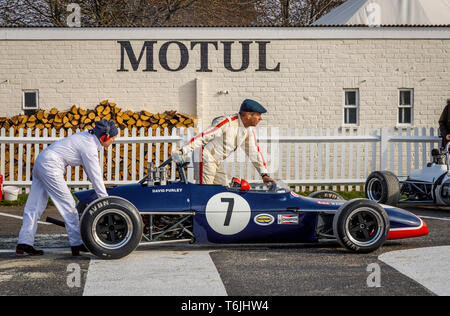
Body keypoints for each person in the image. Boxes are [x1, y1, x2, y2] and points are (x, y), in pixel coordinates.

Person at [16, 119, 118, 257]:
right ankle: (77, 244)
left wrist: (101, 189)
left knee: (34, 206)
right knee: (69, 206)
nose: (113, 140)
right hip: (51, 166)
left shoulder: (86, 138)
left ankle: (24, 243)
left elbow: (90, 172)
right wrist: (105, 200)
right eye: (113, 138)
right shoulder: (89, 147)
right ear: (104, 137)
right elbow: (95, 174)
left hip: (42, 160)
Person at [173, 99, 275, 186]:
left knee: (223, 188)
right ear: (248, 115)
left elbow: (254, 152)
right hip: (204, 156)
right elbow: (204, 136)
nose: (260, 118)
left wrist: (264, 174)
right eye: (258, 115)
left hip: (216, 161)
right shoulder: (227, 122)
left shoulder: (247, 130)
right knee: (205, 189)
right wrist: (183, 150)